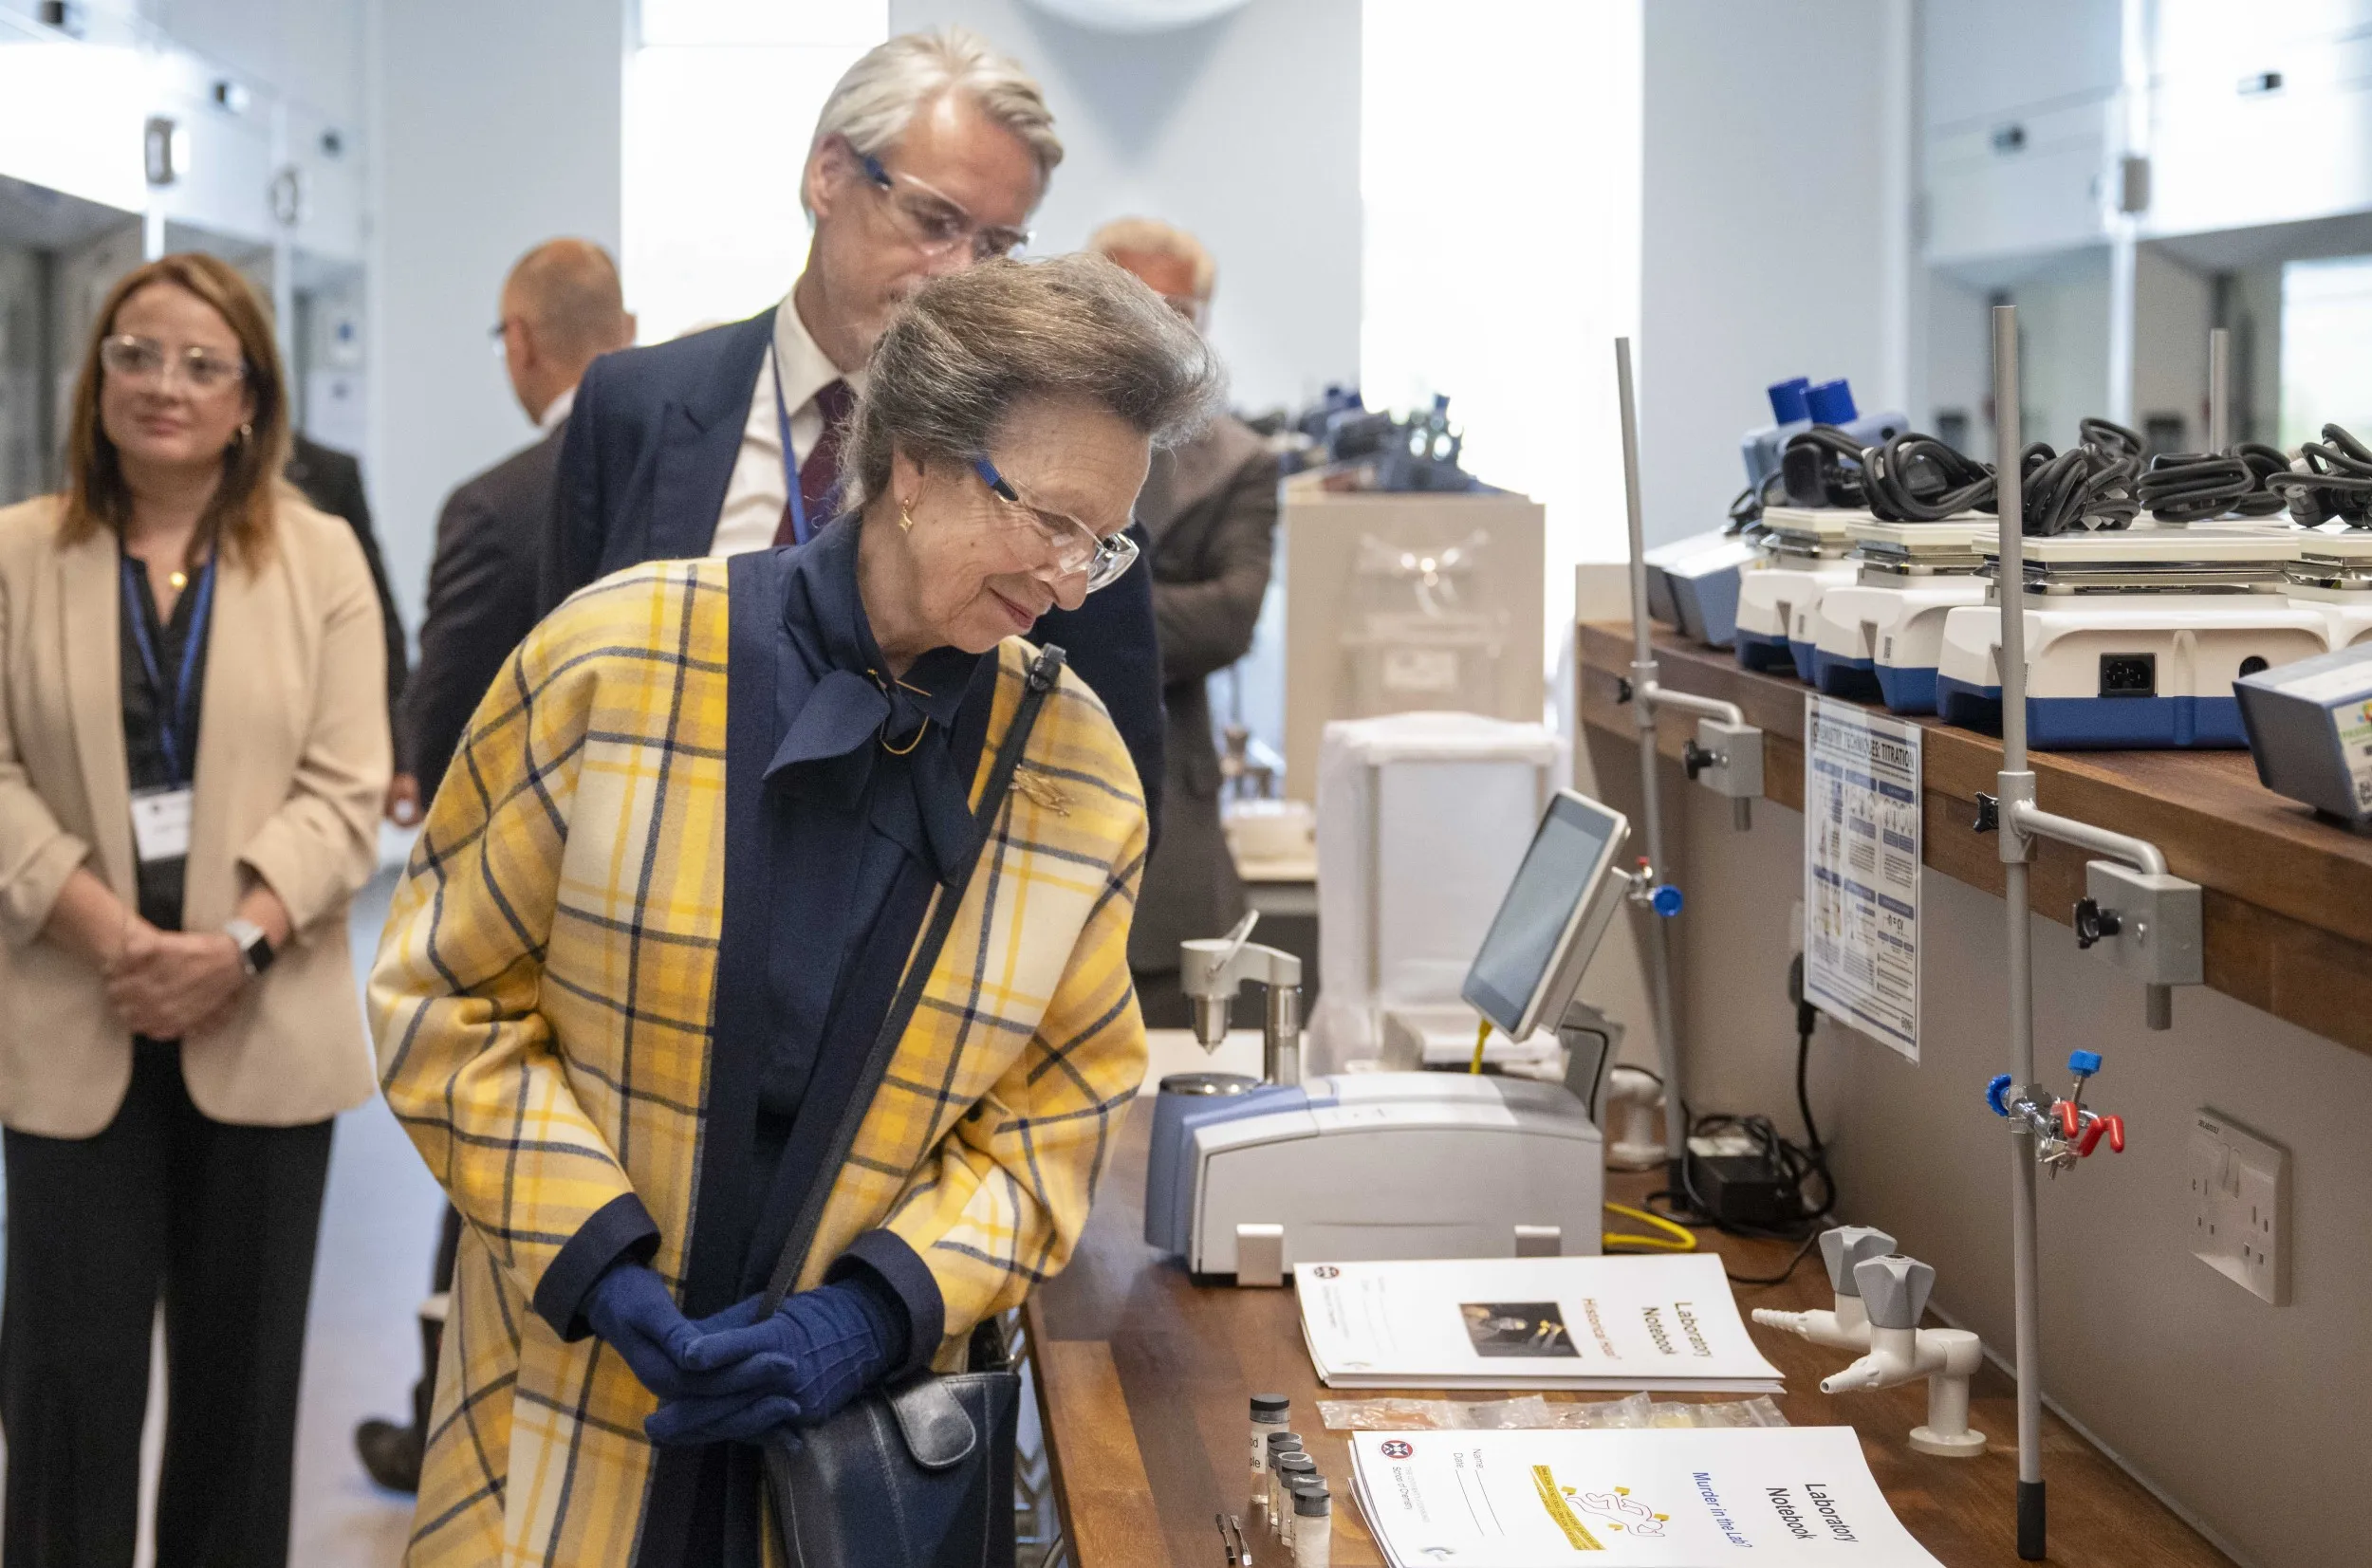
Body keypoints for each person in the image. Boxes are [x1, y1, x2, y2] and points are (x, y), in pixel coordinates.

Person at [373, 253, 1214, 1568]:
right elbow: (441, 999)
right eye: (1045, 519)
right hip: (570, 1392)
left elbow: (1058, 1116)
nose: (1063, 581)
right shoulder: (616, 658)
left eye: (1098, 544)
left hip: (849, 1456)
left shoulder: (1073, 772)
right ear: (915, 464)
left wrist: (876, 1314)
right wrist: (598, 1265)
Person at [0, 252, 390, 1566]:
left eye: (200, 363)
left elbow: (346, 786)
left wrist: (234, 944)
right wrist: (119, 936)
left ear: (250, 400)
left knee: (243, 1401)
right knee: (63, 1399)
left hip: (264, 1021)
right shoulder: (15, 553)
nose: (163, 384)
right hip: (72, 1014)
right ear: (96, 377)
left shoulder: (322, 557)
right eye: (135, 354)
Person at [542, 28, 1169, 840]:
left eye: (995, 245)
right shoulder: (635, 404)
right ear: (829, 173)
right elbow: (555, 680)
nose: (956, 271)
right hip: (636, 879)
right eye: (934, 218)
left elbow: (1110, 794)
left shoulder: (1053, 485)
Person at [354, 238, 637, 1490]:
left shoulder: (500, 498)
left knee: (495, 1151)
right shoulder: (712, 477)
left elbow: (449, 721)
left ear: (522, 341)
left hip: (532, 914)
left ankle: (451, 1422)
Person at [1087, 219, 1280, 1002]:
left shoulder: (1239, 461)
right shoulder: (1016, 432)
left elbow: (1232, 618)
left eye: (1177, 309)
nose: (1154, 328)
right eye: (1130, 302)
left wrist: (1065, 600)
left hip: (1166, 809)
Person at [284, 433, 411, 757]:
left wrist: (399, 753)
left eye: (203, 377)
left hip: (308, 723)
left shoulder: (326, 470)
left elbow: (380, 618)